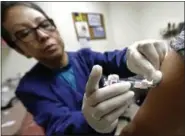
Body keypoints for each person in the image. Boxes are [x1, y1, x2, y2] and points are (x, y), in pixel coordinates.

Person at [1, 2, 169, 135]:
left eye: (44, 24)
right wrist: (87, 120)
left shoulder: (85, 57)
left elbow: (113, 60)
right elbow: (57, 126)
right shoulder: (29, 88)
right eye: (24, 33)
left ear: (55, 28)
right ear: (20, 50)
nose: (43, 36)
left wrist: (131, 55)